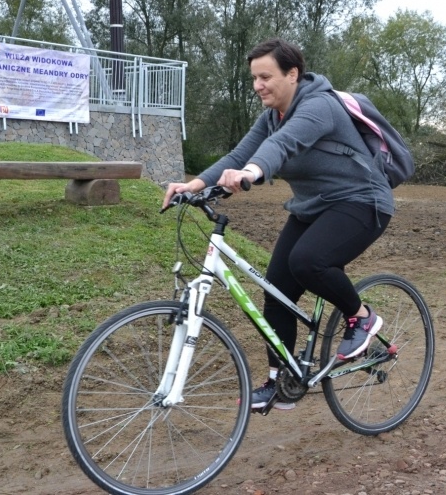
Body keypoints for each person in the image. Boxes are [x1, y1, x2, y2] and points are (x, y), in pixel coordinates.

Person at [162, 38, 394, 410]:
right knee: (276, 291)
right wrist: (194, 184)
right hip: (312, 207)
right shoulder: (272, 115)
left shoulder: (319, 105)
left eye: (265, 77)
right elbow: (240, 153)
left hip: (362, 202)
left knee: (309, 261)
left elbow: (282, 146)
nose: (258, 86)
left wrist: (252, 172)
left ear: (292, 74)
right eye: (254, 78)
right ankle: (280, 381)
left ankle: (362, 317)